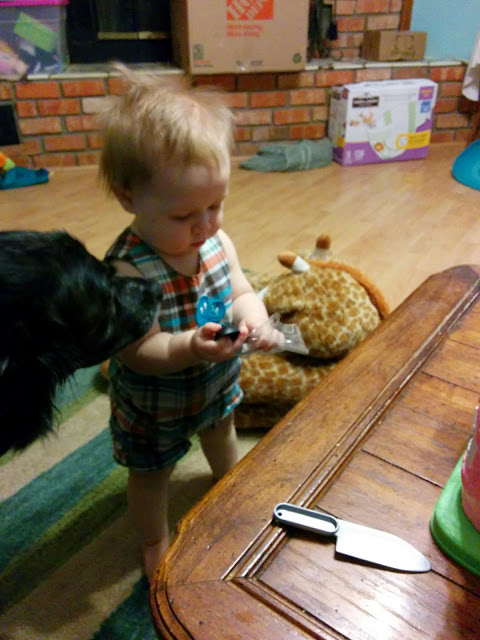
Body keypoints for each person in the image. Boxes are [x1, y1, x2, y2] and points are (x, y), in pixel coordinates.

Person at [98, 64, 281, 581]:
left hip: (214, 385)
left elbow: (240, 291)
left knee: (223, 435)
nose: (204, 226)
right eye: (183, 216)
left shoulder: (218, 242)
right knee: (151, 477)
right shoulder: (126, 271)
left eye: (215, 205)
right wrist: (189, 347)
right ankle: (154, 539)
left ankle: (229, 487)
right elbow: (138, 352)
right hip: (154, 407)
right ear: (129, 197)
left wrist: (256, 321)